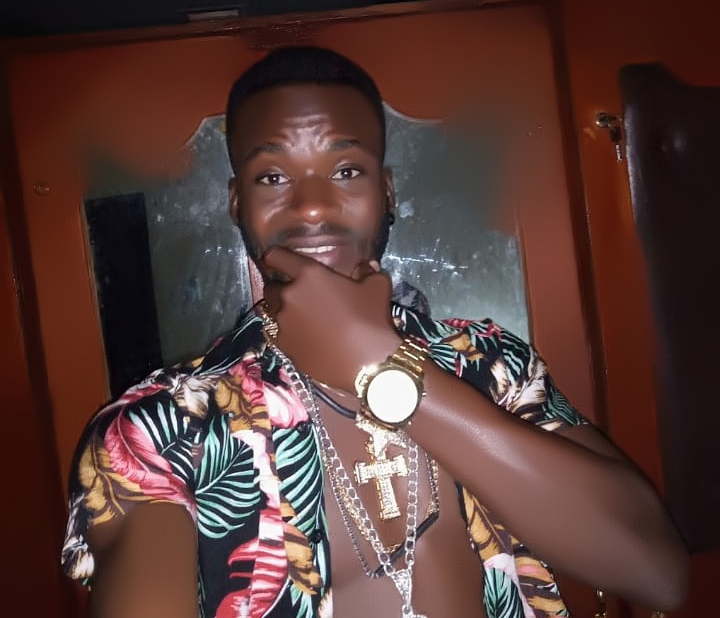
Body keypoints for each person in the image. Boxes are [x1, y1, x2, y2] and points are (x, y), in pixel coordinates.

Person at [62, 46, 688, 618]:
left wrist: (380, 364)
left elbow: (659, 573)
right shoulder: (162, 428)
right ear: (236, 204)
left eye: (346, 171)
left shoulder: (488, 363)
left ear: (387, 192)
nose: (311, 205)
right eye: (272, 177)